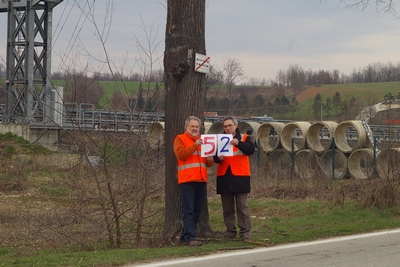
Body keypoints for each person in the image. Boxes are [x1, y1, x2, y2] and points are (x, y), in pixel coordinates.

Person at [173, 116, 214, 246]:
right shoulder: (180, 139)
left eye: (197, 126)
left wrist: (210, 160)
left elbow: (208, 163)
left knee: (197, 210)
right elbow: (181, 155)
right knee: (188, 210)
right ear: (187, 127)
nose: (195, 129)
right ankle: (190, 237)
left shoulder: (204, 141)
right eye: (193, 126)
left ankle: (185, 236)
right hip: (187, 180)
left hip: (201, 179)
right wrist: (194, 145)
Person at [214, 116, 255, 242]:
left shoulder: (244, 138)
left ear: (236, 126)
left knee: (242, 207)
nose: (227, 128)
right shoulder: (219, 140)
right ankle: (230, 232)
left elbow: (250, 150)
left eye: (229, 125)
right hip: (224, 176)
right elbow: (214, 157)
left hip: (240, 176)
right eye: (225, 126)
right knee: (227, 208)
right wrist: (218, 158)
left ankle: (245, 233)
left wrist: (239, 144)